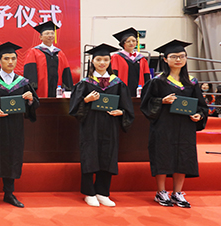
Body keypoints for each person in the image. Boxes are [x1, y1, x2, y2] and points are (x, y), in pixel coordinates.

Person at [140, 39, 208, 208]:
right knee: (163, 156)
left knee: (183, 157)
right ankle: (161, 192)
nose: (178, 59)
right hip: (164, 126)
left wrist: (199, 115)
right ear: (165, 59)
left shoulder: (192, 82)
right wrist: (162, 101)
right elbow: (146, 103)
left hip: (185, 126)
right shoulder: (158, 81)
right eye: (174, 56)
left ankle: (177, 193)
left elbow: (201, 106)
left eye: (182, 56)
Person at [69, 44, 135, 207]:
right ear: (92, 61)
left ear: (110, 61)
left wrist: (121, 112)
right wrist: (86, 100)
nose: (102, 63)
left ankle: (103, 192)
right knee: (90, 156)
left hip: (110, 125)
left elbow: (127, 108)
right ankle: (89, 193)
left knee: (108, 156)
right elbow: (74, 108)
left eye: (105, 59)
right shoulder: (85, 83)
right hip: (90, 125)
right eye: (98, 59)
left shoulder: (117, 83)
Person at [0, 42, 38, 208]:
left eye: (13, 58)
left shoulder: (22, 82)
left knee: (13, 157)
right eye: (6, 58)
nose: (10, 62)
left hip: (15, 127)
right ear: (0, 60)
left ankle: (9, 194)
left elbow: (33, 106)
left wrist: (30, 100)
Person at [23, 21, 73, 97]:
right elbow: (30, 72)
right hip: (40, 90)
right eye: (47, 33)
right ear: (40, 37)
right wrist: (32, 89)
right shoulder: (34, 52)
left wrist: (67, 89)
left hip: (57, 90)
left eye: (52, 33)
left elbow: (66, 72)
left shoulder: (59, 53)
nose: (50, 35)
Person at [111, 27, 151, 97]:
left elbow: (146, 76)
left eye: (134, 41)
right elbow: (113, 75)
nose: (131, 43)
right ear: (123, 43)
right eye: (128, 41)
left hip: (139, 92)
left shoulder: (141, 58)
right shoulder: (116, 57)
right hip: (122, 92)